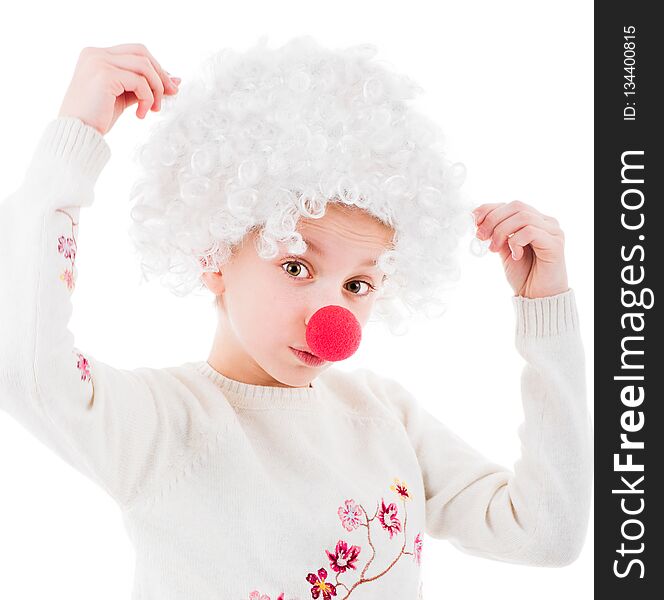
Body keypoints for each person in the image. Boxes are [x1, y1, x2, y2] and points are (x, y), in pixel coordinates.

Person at [0, 36, 592, 600]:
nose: (331, 316)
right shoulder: (161, 424)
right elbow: (28, 368)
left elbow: (545, 533)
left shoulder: (384, 416)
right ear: (214, 255)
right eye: (296, 268)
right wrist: (73, 142)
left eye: (358, 284)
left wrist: (546, 311)